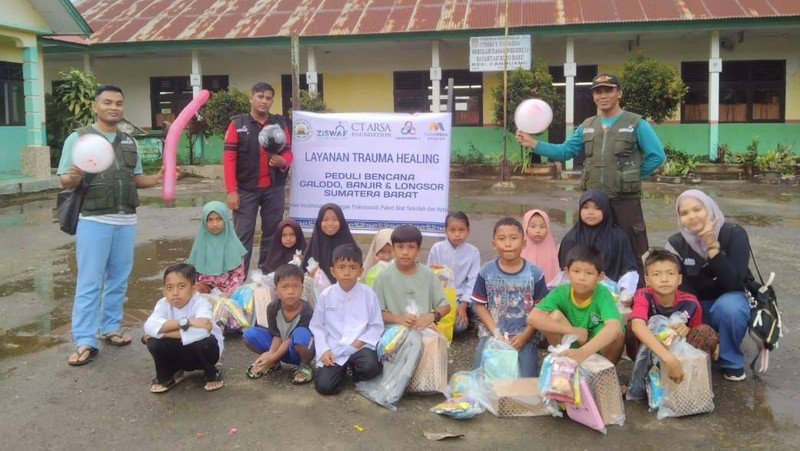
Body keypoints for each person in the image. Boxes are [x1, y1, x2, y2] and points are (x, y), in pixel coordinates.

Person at [57, 84, 168, 366]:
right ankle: (85, 339)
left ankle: (110, 327)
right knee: (90, 281)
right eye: (107, 102)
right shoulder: (79, 139)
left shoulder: (128, 141)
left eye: (118, 103)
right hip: (94, 219)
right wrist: (74, 176)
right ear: (95, 106)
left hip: (126, 219)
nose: (113, 107)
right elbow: (65, 180)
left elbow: (135, 179)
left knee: (118, 277)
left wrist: (157, 178)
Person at [515, 72, 665, 277]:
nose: (602, 95)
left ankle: (634, 291)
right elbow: (565, 151)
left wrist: (629, 177)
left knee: (631, 250)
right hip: (593, 202)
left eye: (608, 90)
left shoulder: (636, 123)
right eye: (598, 91)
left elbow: (656, 155)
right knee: (589, 251)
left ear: (619, 93)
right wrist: (533, 143)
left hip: (624, 201)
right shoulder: (587, 126)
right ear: (593, 96)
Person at [665, 189, 752, 381]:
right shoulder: (675, 244)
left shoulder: (733, 234)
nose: (691, 216)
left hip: (728, 300)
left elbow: (735, 283)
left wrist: (713, 248)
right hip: (695, 306)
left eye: (697, 209)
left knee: (731, 307)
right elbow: (678, 288)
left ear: (710, 209)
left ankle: (730, 360)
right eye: (684, 213)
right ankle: (704, 350)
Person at [224, 82, 293, 275]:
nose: (264, 101)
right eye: (260, 97)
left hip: (274, 189)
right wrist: (231, 191)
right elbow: (229, 159)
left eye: (268, 98)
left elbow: (289, 152)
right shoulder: (237, 125)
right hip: (245, 190)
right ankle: (237, 279)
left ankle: (266, 277)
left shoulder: (279, 124)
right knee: (242, 236)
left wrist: (283, 161)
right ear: (251, 98)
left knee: (272, 234)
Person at [628, 249, 719, 385]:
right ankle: (646, 377)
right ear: (647, 280)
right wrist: (668, 359)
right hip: (651, 350)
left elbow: (697, 331)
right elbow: (637, 326)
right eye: (656, 274)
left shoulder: (690, 302)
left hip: (679, 350)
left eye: (670, 273)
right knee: (630, 327)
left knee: (705, 332)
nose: (664, 279)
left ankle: (693, 381)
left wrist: (687, 330)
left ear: (679, 279)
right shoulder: (643, 295)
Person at [471, 217, 549, 377]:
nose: (508, 244)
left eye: (513, 238)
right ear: (494, 244)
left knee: (524, 380)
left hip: (524, 336)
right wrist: (495, 332)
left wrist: (525, 335)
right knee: (480, 376)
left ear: (524, 243)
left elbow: (541, 308)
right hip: (493, 334)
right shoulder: (486, 271)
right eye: (501, 239)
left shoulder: (534, 273)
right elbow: (479, 305)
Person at [528, 245, 625, 364]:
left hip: (596, 349)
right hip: (570, 342)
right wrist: (572, 330)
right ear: (567, 272)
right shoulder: (561, 292)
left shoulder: (602, 293)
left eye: (589, 273)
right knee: (552, 316)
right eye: (576, 271)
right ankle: (564, 361)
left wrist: (583, 352)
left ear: (599, 277)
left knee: (618, 332)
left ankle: (605, 369)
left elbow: (614, 327)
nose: (582, 278)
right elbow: (532, 317)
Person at [310, 244, 384, 395]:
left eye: (352, 267)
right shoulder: (326, 295)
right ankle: (341, 370)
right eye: (341, 267)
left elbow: (375, 326)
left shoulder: (368, 295)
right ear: (333, 271)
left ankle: (353, 370)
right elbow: (318, 327)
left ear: (360, 271)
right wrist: (324, 350)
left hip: (360, 347)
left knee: (371, 368)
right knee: (325, 386)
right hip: (334, 348)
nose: (347, 272)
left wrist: (356, 344)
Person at [142, 263, 224, 392]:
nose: (175, 293)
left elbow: (203, 331)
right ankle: (171, 373)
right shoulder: (162, 304)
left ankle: (211, 373)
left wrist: (162, 333)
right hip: (178, 352)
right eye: (169, 287)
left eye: (181, 286)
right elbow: (149, 326)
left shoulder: (201, 303)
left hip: (202, 354)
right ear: (164, 290)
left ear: (193, 288)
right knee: (154, 342)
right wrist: (187, 322)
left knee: (205, 341)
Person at [559, 189, 639, 302]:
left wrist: (625, 291)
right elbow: (565, 273)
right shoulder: (571, 239)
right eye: (586, 207)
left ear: (606, 210)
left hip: (611, 296)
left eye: (597, 208)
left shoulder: (618, 238)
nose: (590, 212)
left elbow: (628, 269)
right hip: (577, 296)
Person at [243, 264, 315, 385]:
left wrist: (272, 356)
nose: (290, 292)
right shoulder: (272, 308)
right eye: (285, 287)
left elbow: (289, 339)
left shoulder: (306, 309)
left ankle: (305, 366)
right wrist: (270, 355)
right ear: (276, 290)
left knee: (301, 333)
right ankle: (273, 363)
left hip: (297, 351)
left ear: (302, 289)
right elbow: (276, 335)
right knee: (249, 334)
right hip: (279, 346)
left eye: (295, 286)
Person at [373, 225, 451, 330]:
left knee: (433, 338)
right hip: (394, 332)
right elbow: (376, 311)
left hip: (423, 328)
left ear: (418, 250)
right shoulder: (383, 277)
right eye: (400, 247)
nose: (405, 252)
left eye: (411, 247)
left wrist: (432, 316)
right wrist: (398, 318)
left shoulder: (428, 274)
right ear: (393, 249)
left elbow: (445, 306)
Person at [427, 212, 481, 334]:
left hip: (464, 296)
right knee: (455, 326)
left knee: (462, 324)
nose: (457, 234)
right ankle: (464, 317)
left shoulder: (473, 252)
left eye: (461, 230)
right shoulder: (437, 249)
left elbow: (473, 281)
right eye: (452, 230)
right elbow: (429, 276)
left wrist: (464, 304)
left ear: (468, 231)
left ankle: (469, 316)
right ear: (446, 231)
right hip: (443, 295)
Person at [188, 201, 247, 297]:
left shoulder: (233, 246)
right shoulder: (200, 244)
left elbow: (238, 276)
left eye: (219, 219)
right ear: (204, 222)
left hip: (227, 293)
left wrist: (229, 293)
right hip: (203, 291)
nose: (214, 224)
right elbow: (193, 274)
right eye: (210, 220)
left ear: (225, 220)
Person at [303, 203, 357, 285]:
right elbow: (302, 277)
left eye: (335, 219)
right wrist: (310, 275)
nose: (330, 223)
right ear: (319, 222)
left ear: (341, 221)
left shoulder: (351, 248)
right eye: (325, 220)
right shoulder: (313, 246)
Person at [521, 209, 560, 286]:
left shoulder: (550, 246)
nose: (538, 230)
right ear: (525, 227)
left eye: (542, 227)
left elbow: (554, 268)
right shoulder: (520, 247)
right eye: (533, 226)